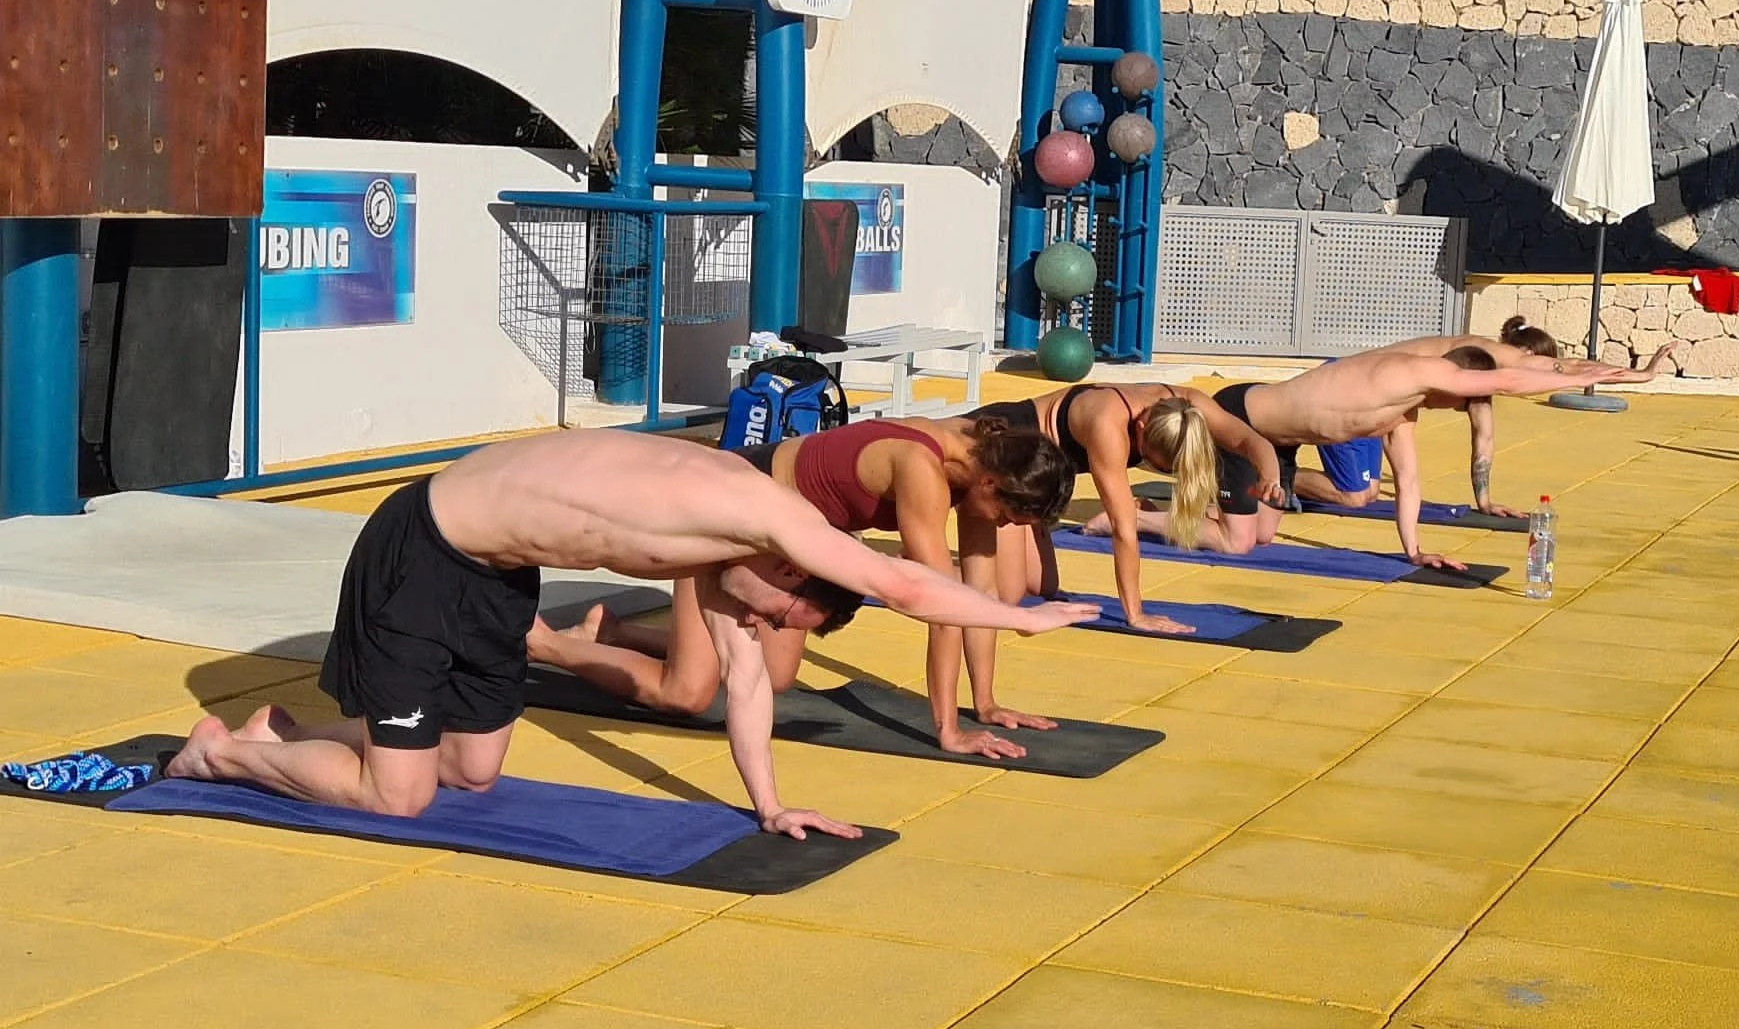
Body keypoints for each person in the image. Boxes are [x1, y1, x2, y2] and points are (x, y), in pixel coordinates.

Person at [165, 429, 1099, 839]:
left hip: (497, 580)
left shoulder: (735, 558)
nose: (761, 629)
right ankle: (222, 756)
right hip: (421, 549)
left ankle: (287, 739)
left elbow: (745, 690)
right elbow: (902, 581)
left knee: (473, 770)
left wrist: (771, 806)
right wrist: (1023, 615)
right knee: (402, 799)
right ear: (787, 573)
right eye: (782, 618)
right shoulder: (765, 517)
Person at [529, 415, 1076, 762]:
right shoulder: (923, 469)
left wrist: (986, 704)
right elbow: (937, 606)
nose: (1004, 529)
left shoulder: (985, 464)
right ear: (990, 484)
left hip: (792, 539)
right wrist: (949, 731)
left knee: (779, 677)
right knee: (687, 694)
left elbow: (977, 598)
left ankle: (613, 631)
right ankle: (546, 644)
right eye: (1007, 516)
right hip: (735, 513)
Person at [1169, 345, 1660, 570]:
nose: (1465, 409)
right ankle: (1143, 520)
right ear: (1452, 383)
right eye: (1465, 399)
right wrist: (1612, 376)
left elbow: (1409, 482)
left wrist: (1414, 551)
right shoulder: (1404, 375)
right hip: (1240, 418)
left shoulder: (1403, 413)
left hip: (1282, 441)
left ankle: (1212, 504)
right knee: (1239, 546)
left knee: (1266, 535)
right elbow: (1508, 379)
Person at [969, 381, 1283, 635]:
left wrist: (1269, 476)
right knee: (1006, 595)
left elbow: (1250, 440)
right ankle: (929, 575)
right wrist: (1135, 614)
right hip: (1008, 452)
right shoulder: (1108, 424)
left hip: (1040, 473)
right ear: (1143, 427)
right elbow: (1124, 530)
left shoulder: (1188, 407)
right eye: (1152, 459)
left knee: (1041, 586)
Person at [1296, 318, 1678, 519]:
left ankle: (1274, 463)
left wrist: (1485, 501)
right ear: (1526, 353)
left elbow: (1485, 443)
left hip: (1387, 410)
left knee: (1369, 493)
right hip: (1355, 389)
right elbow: (1568, 366)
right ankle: (1267, 470)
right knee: (1358, 495)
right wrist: (1640, 375)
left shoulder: (1478, 383)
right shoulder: (1496, 355)